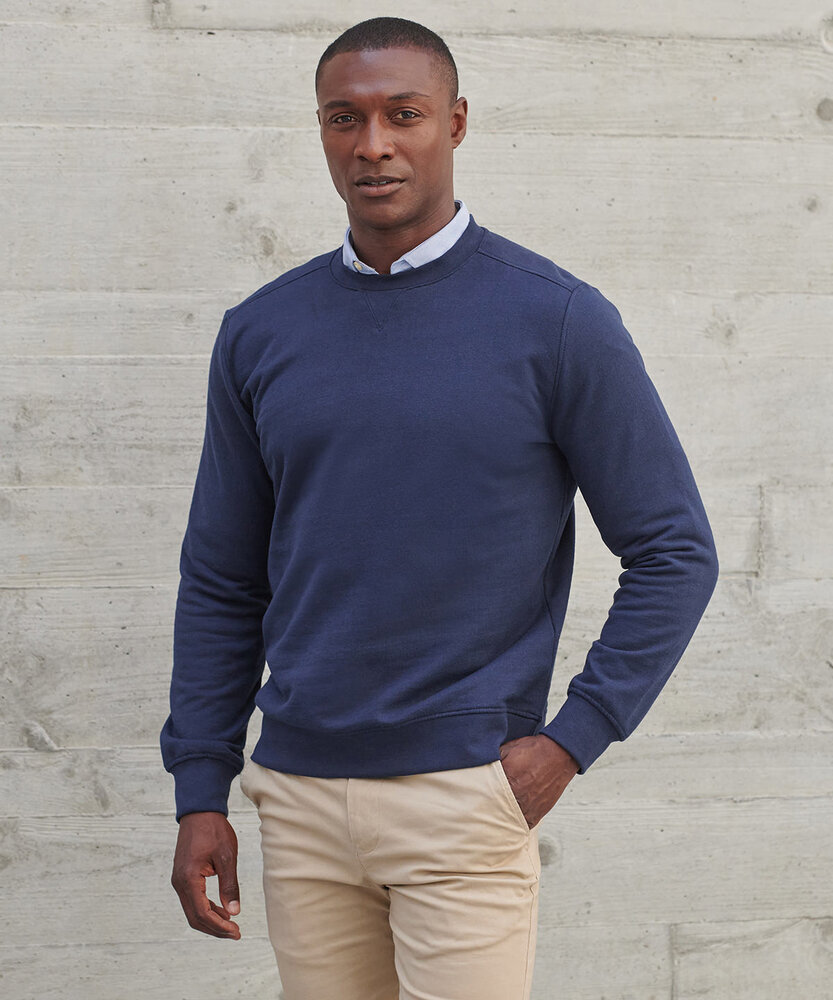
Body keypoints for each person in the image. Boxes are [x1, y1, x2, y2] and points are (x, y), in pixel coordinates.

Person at [161, 16, 719, 1000]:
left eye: (403, 114)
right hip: (297, 797)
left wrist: (569, 742)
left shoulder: (555, 321)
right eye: (344, 118)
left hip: (463, 796)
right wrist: (200, 786)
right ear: (322, 131)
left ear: (454, 123)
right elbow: (222, 576)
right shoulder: (261, 332)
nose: (372, 144)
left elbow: (673, 549)